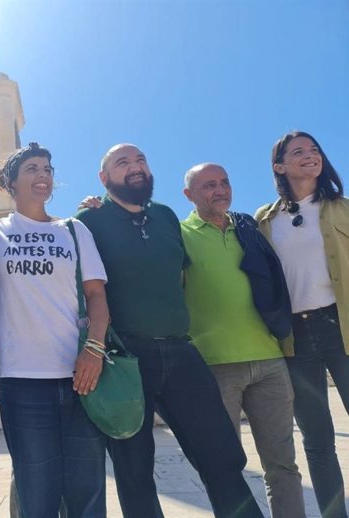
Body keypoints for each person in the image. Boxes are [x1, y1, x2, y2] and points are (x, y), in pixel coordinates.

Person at [76, 143, 263, 518]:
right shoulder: (88, 221)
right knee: (134, 470)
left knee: (222, 458)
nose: (135, 167)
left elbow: (181, 277)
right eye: (122, 162)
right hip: (125, 360)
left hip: (181, 353)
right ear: (103, 178)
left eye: (140, 159)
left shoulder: (165, 217)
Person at [0, 143, 109, 518]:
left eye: (48, 169)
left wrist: (94, 348)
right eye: (32, 169)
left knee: (87, 492)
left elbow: (97, 295)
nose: (43, 175)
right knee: (36, 493)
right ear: (11, 181)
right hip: (23, 383)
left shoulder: (73, 230)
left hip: (81, 377)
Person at [181, 163, 305, 517]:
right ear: (188, 195)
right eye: (208, 185)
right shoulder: (179, 235)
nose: (219, 190)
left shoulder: (250, 228)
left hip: (269, 360)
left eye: (224, 182)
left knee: (283, 466)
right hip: (215, 366)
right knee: (225, 469)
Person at [256, 131, 349, 518]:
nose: (310, 156)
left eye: (314, 150)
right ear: (280, 166)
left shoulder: (342, 207)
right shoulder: (264, 220)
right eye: (298, 152)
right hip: (296, 339)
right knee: (317, 440)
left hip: (341, 327)